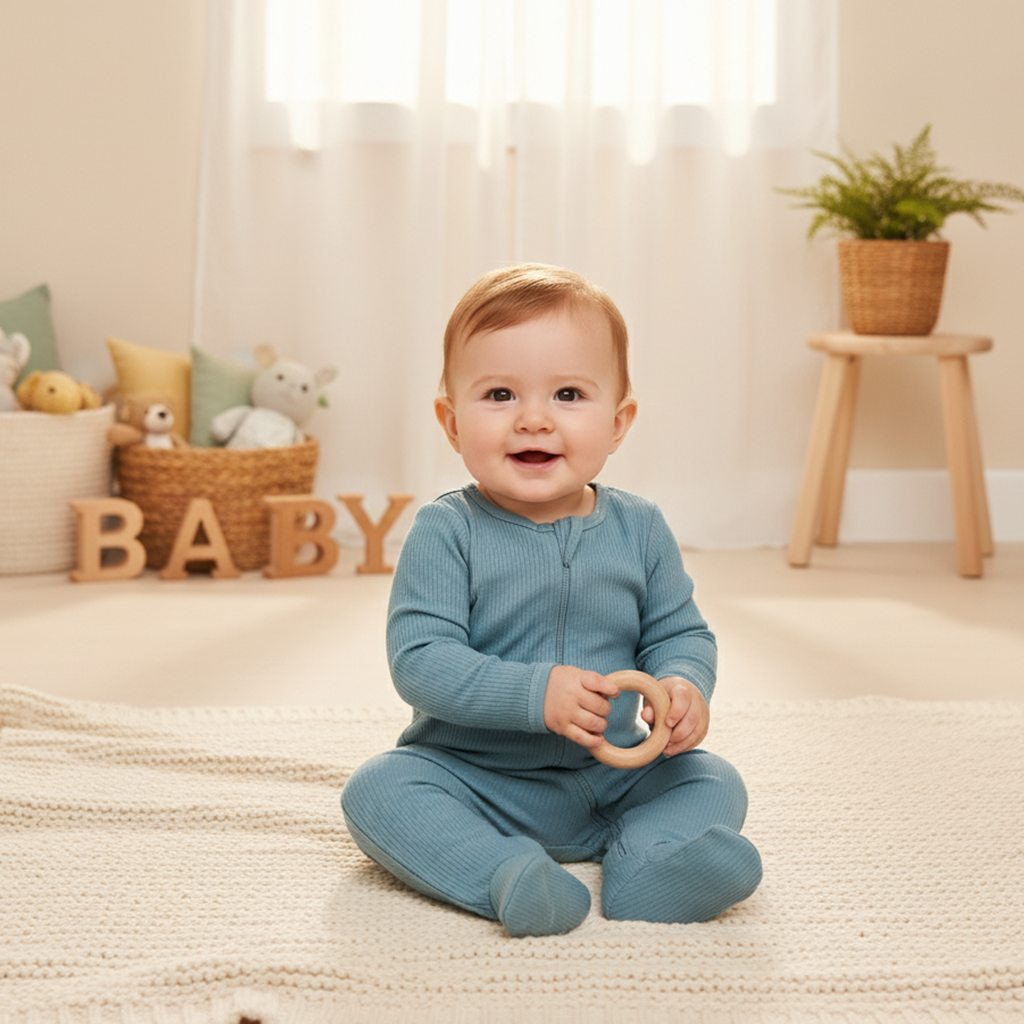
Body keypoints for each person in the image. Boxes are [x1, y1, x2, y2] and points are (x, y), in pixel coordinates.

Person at [341, 264, 761, 937]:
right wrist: (537, 694)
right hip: (477, 779)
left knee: (713, 780)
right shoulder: (447, 531)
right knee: (378, 790)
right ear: (451, 422)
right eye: (499, 394)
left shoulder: (640, 527)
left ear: (618, 422)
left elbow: (678, 632)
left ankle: (649, 864)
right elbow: (421, 661)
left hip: (615, 773)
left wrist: (684, 684)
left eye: (568, 394)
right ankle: (504, 873)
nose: (533, 419)